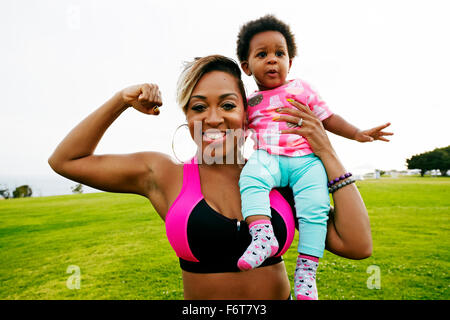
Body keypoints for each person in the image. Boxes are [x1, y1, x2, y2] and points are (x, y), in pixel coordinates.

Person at [48, 54, 372, 300]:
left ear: (247, 115)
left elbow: (357, 246)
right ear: (187, 118)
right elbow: (66, 160)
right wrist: (120, 100)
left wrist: (327, 151)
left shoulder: (280, 177)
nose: (213, 118)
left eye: (227, 105)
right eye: (199, 107)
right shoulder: (163, 175)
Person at [234, 15, 391, 300]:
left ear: (290, 62)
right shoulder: (250, 102)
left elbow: (327, 118)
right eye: (262, 54)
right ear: (247, 66)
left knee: (315, 211)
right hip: (267, 157)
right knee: (251, 177)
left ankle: (307, 274)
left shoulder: (301, 89)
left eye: (279, 53)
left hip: (307, 163)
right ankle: (262, 236)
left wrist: (357, 133)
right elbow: (239, 133)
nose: (272, 60)